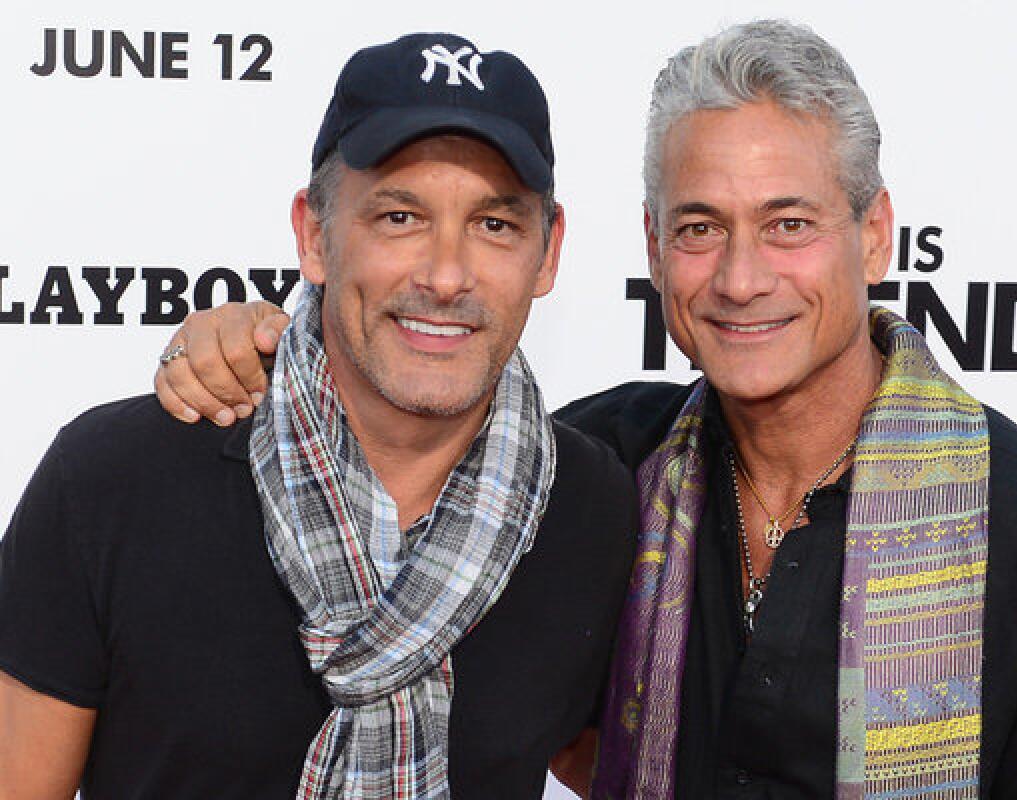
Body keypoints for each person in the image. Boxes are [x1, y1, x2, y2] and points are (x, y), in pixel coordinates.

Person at [153, 20, 1017, 799]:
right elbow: (396, 422)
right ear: (649, 245)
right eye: (699, 227)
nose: (739, 276)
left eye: (789, 224)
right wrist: (258, 339)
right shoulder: (593, 468)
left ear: (874, 235)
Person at [0, 32, 636, 799]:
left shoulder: (593, 505)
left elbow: (627, 762)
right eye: (399, 217)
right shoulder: (112, 477)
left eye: (495, 225)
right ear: (314, 235)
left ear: (549, 251)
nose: (445, 274)